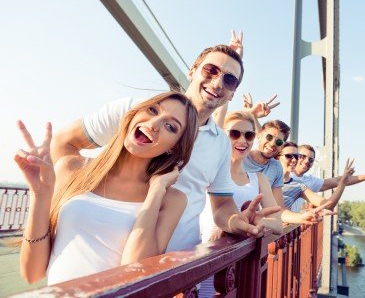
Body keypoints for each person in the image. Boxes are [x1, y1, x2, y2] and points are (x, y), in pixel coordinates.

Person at [51, 42, 280, 254]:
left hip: (174, 270)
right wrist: (61, 212)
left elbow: (221, 204)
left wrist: (235, 221)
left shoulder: (220, 143)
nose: (218, 83)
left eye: (229, 80)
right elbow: (65, 142)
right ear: (193, 70)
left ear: (233, 93)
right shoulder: (135, 111)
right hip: (99, 257)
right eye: (210, 70)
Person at [15, 92, 198, 284]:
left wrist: (156, 191)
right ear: (133, 115)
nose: (154, 123)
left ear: (174, 148)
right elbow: (32, 273)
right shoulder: (72, 168)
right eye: (152, 110)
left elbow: (135, 275)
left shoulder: (171, 200)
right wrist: (40, 195)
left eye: (170, 126)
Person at [201, 111, 283, 242]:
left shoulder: (259, 179)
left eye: (249, 135)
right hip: (206, 254)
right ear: (223, 135)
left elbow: (278, 224)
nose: (242, 140)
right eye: (234, 134)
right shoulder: (209, 171)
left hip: (242, 259)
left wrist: (259, 222)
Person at [243, 120, 325, 224]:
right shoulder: (241, 156)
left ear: (282, 146)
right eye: (269, 137)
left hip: (253, 229)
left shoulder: (276, 167)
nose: (272, 143)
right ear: (259, 136)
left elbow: (278, 209)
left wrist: (301, 218)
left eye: (279, 142)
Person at [290, 144, 365, 212]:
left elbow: (339, 181)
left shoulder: (309, 181)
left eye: (311, 159)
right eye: (302, 156)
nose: (307, 161)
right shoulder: (283, 175)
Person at [277, 141, 352, 213]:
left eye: (296, 156)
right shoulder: (268, 178)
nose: (294, 160)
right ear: (277, 157)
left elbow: (328, 205)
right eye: (288, 156)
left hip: (285, 225)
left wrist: (343, 182)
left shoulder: (299, 186)